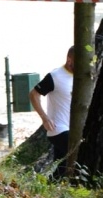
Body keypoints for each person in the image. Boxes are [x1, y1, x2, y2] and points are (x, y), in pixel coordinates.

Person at [29, 46, 74, 178]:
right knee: (77, 155)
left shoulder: (83, 78)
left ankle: (49, 190)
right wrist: (44, 117)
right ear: (69, 60)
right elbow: (33, 94)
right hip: (58, 128)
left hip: (74, 128)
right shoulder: (55, 76)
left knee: (62, 169)